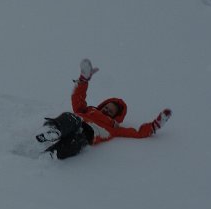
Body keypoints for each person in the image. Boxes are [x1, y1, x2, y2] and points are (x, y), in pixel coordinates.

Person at [36, 58, 172, 159]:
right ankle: (52, 131)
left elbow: (138, 133)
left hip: (87, 135)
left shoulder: (114, 128)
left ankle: (52, 154)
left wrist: (155, 125)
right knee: (70, 117)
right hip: (77, 121)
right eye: (107, 107)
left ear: (115, 116)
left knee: (77, 142)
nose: (107, 110)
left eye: (111, 111)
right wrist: (83, 80)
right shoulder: (87, 110)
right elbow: (78, 98)